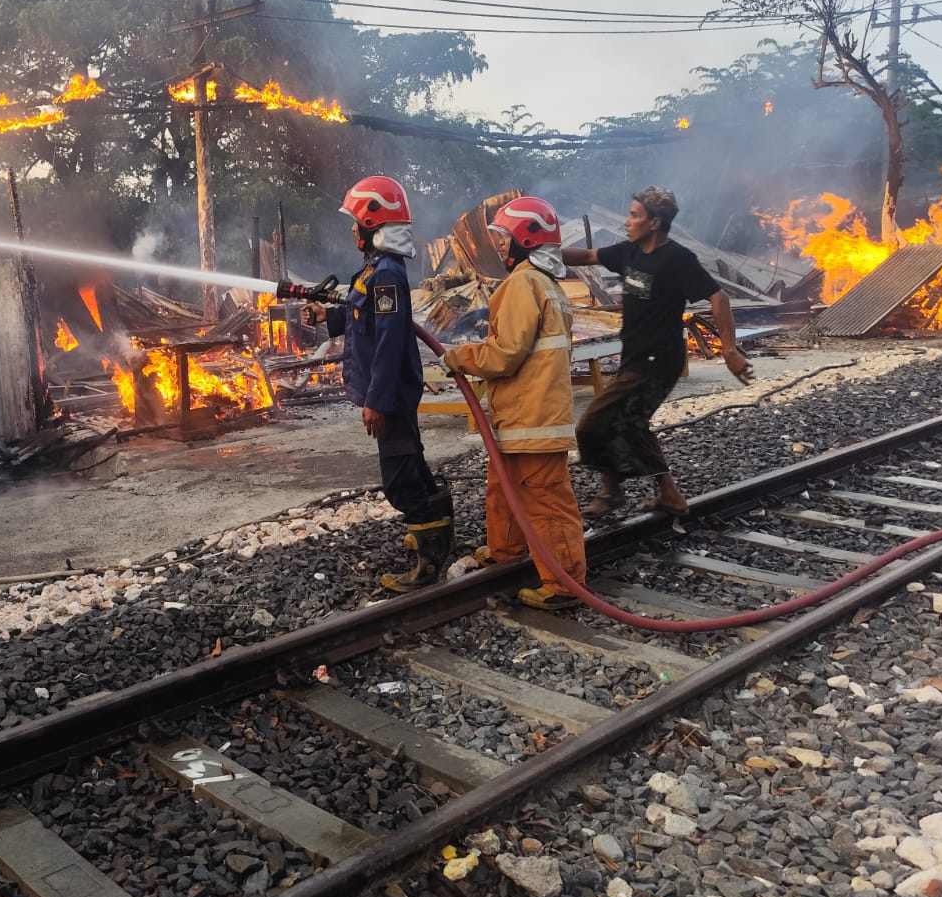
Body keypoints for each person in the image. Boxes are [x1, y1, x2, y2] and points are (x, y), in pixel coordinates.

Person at [563, 186, 753, 517]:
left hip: (660, 360)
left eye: (634, 215)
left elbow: (719, 298)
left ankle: (613, 490)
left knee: (592, 424)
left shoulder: (677, 259)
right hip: (636, 356)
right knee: (631, 423)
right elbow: (590, 256)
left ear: (654, 223)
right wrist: (539, 254)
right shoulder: (629, 253)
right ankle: (667, 496)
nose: (627, 221)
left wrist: (729, 350)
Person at [302, 175, 453, 592]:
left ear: (374, 223)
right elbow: (361, 319)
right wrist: (326, 318)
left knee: (399, 477)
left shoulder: (386, 275)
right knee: (412, 463)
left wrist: (377, 402)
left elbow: (387, 343)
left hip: (391, 395)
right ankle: (436, 532)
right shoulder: (374, 270)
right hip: (391, 393)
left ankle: (429, 560)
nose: (351, 228)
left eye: (356, 220)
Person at [441, 197, 588, 611]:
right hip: (523, 416)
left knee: (545, 501)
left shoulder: (524, 284)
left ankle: (564, 585)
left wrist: (461, 357)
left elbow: (506, 353)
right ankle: (506, 552)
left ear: (527, 239)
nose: (500, 246)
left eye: (505, 238)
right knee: (503, 487)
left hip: (534, 419)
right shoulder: (548, 285)